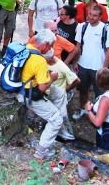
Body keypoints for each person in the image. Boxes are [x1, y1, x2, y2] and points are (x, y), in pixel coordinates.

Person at [22, 29, 72, 160]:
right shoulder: (39, 60)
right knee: (56, 119)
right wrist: (53, 78)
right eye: (50, 46)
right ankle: (41, 152)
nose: (50, 49)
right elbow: (43, 87)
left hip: (21, 85)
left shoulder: (26, 47)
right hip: (29, 94)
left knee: (59, 93)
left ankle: (61, 128)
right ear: (44, 44)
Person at [65, 5, 109, 120]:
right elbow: (78, 46)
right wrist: (75, 62)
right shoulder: (82, 27)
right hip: (83, 66)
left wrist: (105, 68)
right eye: (90, 14)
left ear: (100, 16)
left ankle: (99, 115)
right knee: (83, 90)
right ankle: (83, 109)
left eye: (95, 15)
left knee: (100, 93)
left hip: (98, 67)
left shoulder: (105, 29)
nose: (91, 17)